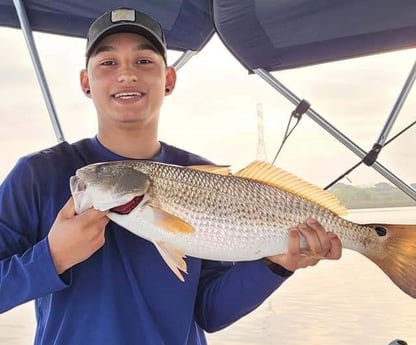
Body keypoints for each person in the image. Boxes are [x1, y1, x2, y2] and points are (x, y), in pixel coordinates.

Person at [0, 7, 342, 345]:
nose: (127, 74)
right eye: (108, 63)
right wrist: (51, 257)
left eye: (144, 61)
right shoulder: (37, 175)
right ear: (86, 82)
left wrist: (277, 265)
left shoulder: (211, 181)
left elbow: (211, 312)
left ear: (169, 79)